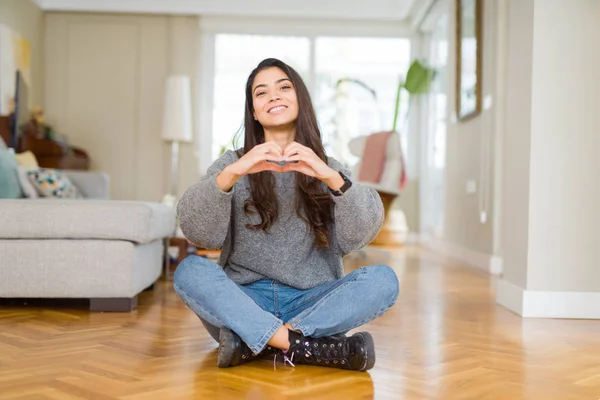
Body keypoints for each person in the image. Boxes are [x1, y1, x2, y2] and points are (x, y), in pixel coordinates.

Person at [173, 58, 399, 372]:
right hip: (243, 302)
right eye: (261, 93)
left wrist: (327, 174)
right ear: (253, 110)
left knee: (384, 280)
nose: (274, 96)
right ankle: (303, 347)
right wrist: (235, 171)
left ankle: (254, 343)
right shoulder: (232, 165)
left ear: (300, 99)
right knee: (189, 271)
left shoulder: (328, 166)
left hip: (313, 302)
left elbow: (359, 233)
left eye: (283, 87)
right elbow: (198, 232)